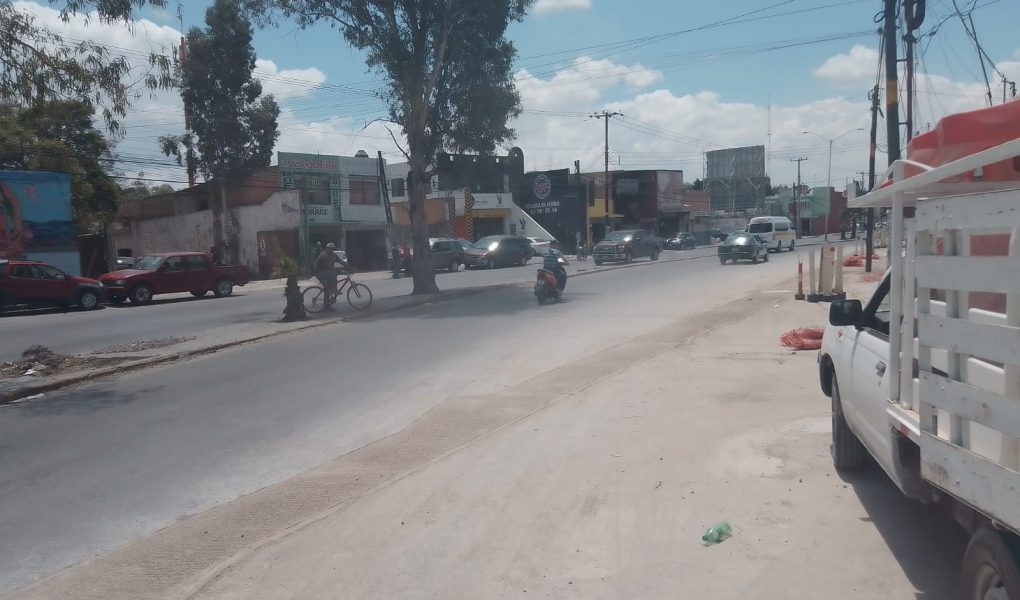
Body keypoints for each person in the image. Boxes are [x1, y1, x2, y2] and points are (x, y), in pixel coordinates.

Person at [315, 243, 347, 308]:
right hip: (319, 273)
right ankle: (334, 290)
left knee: (328, 288)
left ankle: (326, 305)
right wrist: (340, 270)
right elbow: (329, 267)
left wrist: (350, 268)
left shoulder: (333, 255)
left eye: (332, 249)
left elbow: (341, 262)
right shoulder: (324, 256)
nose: (331, 250)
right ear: (326, 249)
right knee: (333, 272)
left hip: (326, 272)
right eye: (330, 249)